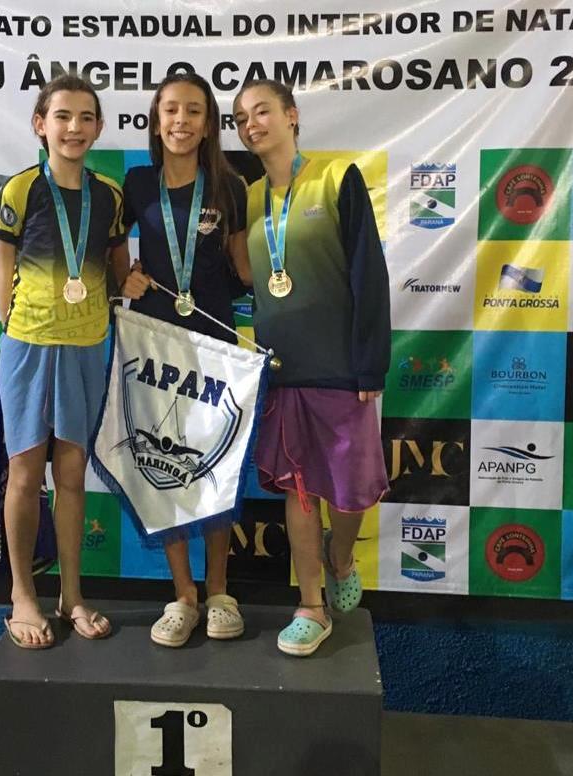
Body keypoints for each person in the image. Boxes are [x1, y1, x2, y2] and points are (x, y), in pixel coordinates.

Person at [232, 79, 391, 657]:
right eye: (242, 118)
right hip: (283, 367)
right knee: (298, 491)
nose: (252, 124)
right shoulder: (248, 198)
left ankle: (340, 556)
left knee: (350, 494)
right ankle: (311, 606)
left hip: (343, 367)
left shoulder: (336, 177)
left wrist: (370, 364)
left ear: (292, 115)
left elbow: (369, 273)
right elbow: (239, 276)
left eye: (263, 111)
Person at [112, 73, 251, 648]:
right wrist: (124, 278)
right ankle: (184, 596)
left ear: (209, 124)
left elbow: (245, 268)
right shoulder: (137, 182)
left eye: (194, 111)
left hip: (215, 343)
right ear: (156, 118)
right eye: (171, 109)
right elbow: (114, 250)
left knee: (215, 465)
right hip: (154, 342)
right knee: (164, 461)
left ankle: (219, 592)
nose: (181, 121)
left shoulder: (231, 185)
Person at [0, 74, 125, 648]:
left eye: (86, 117)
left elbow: (117, 269)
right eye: (63, 116)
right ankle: (23, 595)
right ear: (40, 124)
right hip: (28, 344)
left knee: (71, 475)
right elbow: (2, 269)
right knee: (24, 474)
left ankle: (72, 594)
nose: (75, 127)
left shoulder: (109, 195)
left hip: (87, 346)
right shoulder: (20, 190)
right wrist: (16, 332)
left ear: (98, 127)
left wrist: (131, 285)